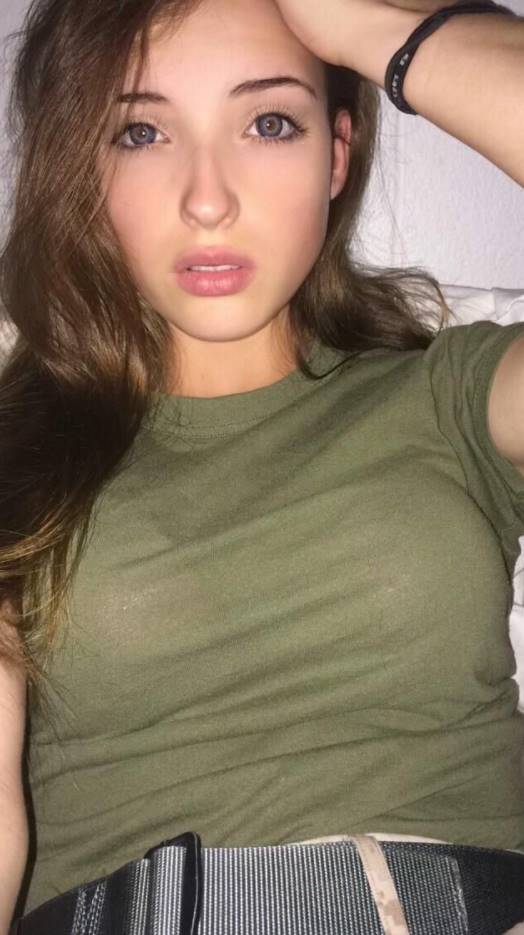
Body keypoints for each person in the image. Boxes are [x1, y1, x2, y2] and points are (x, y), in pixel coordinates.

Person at [0, 0, 524, 930]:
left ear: (337, 153)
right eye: (142, 132)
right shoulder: (18, 455)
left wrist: (370, 28)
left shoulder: (451, 398)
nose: (207, 200)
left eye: (270, 122)